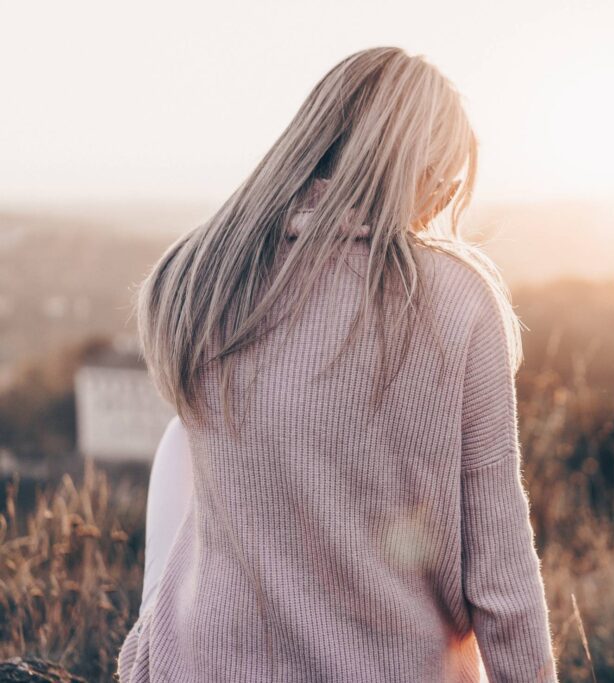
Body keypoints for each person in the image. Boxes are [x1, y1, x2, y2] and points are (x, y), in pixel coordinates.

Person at [117, 46, 558, 682]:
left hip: (202, 663)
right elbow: (500, 569)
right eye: (449, 180)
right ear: (422, 167)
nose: (442, 202)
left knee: (181, 439)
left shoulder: (200, 274)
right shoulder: (456, 297)